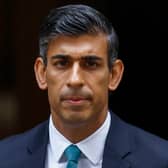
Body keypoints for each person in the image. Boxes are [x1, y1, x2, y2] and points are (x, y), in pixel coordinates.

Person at [0, 4, 168, 168]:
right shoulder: (5, 158)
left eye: (91, 64)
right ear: (42, 73)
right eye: (62, 63)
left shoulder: (160, 159)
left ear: (114, 75)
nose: (75, 80)